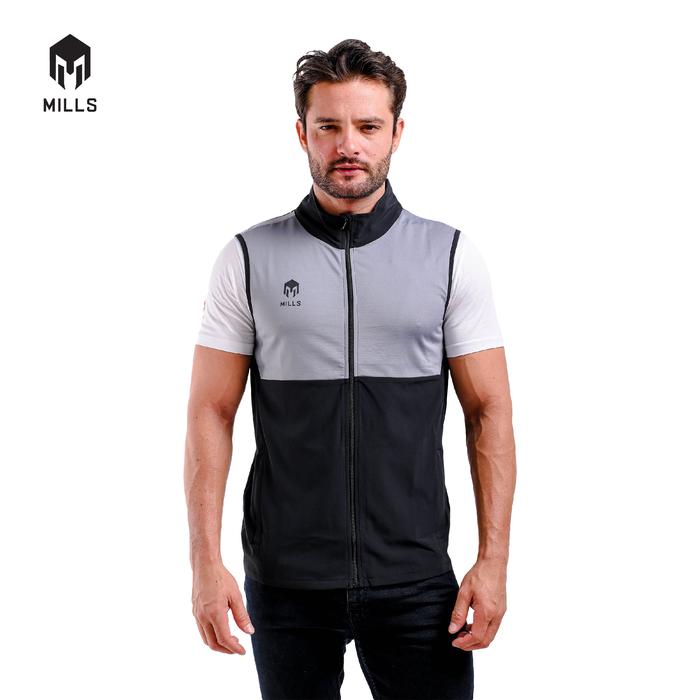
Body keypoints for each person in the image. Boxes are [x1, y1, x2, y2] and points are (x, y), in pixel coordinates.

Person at [184, 38, 516, 700]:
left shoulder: (449, 255)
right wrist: (204, 564)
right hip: (285, 583)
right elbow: (209, 413)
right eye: (329, 126)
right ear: (301, 132)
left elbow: (490, 411)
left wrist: (493, 563)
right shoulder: (248, 257)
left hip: (417, 579)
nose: (348, 145)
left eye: (367, 126)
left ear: (396, 132)